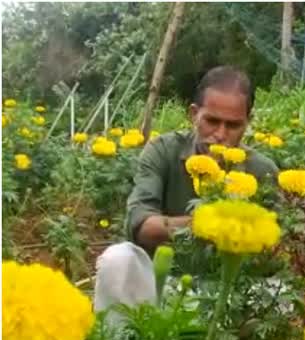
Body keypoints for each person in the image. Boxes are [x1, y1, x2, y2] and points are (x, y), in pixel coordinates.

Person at [94, 66, 277, 321]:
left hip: (229, 294)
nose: (221, 135)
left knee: (281, 295)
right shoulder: (163, 151)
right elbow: (142, 225)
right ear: (194, 114)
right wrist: (213, 223)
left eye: (233, 125)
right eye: (212, 121)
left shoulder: (263, 171)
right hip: (162, 284)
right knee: (118, 259)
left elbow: (276, 250)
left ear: (248, 122)